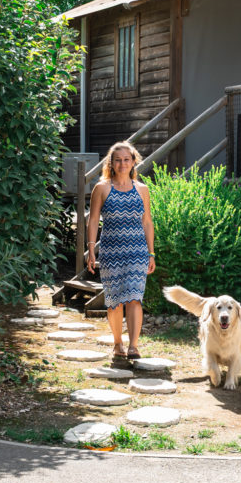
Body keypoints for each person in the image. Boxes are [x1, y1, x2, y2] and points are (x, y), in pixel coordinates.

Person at [86, 141, 155, 362]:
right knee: (114, 301)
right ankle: (118, 343)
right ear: (112, 163)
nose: (123, 163)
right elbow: (94, 219)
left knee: (135, 298)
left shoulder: (142, 189)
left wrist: (151, 253)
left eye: (127, 159)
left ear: (133, 162)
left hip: (137, 252)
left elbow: (147, 222)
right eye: (118, 160)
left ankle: (134, 346)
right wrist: (90, 248)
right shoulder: (102, 188)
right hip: (111, 252)